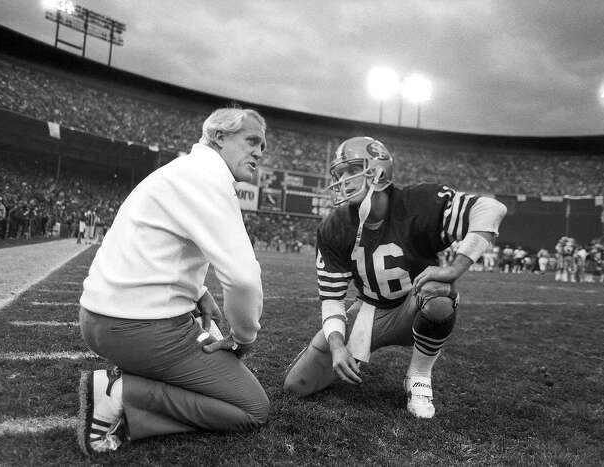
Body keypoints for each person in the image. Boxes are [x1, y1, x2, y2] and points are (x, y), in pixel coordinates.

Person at [77, 107, 269, 456]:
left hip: (102, 317)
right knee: (253, 409)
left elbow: (158, 247)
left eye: (262, 146)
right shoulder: (208, 179)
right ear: (219, 137)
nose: (259, 151)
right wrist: (243, 337)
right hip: (135, 328)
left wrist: (199, 290)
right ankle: (120, 393)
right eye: (252, 140)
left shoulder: (183, 170)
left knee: (207, 351)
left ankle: (132, 379)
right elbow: (243, 278)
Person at [283, 136, 506, 419]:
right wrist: (337, 346)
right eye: (340, 173)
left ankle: (419, 377)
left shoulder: (418, 202)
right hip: (368, 312)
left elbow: (491, 209)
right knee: (296, 385)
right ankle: (356, 351)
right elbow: (331, 299)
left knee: (439, 291)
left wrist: (455, 269)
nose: (344, 180)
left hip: (414, 304)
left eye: (352, 170)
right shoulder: (335, 225)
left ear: (378, 169)